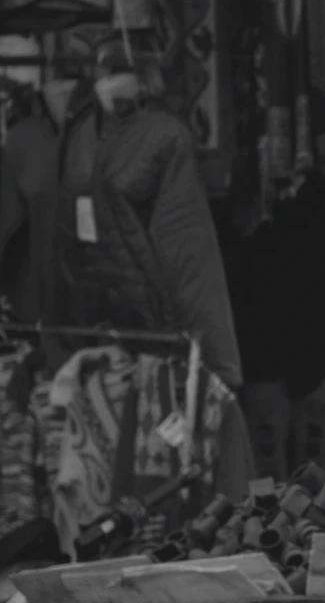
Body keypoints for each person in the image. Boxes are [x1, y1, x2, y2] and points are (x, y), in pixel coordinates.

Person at [61, 35, 254, 490]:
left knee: (148, 465)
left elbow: (186, 244)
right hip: (99, 332)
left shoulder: (157, 137)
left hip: (143, 335)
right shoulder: (81, 136)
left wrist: (214, 356)